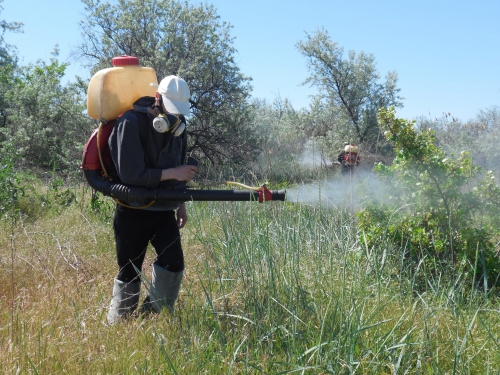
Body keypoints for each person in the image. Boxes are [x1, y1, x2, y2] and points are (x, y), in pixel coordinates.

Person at [106, 75, 197, 324]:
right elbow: (130, 174)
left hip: (163, 210)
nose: (176, 116)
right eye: (171, 109)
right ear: (157, 99)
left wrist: (181, 204)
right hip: (132, 210)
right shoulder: (130, 122)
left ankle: (152, 318)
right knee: (129, 272)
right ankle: (119, 325)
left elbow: (180, 166)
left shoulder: (180, 125)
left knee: (174, 263)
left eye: (180, 111)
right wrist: (172, 174)